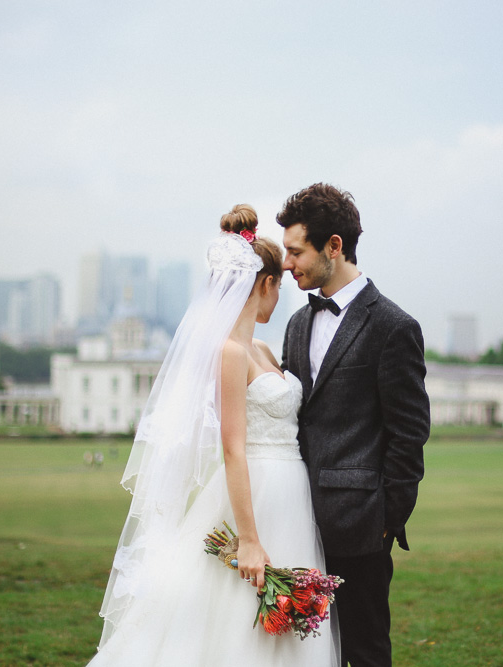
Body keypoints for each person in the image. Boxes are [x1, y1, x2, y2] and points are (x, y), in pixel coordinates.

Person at [89, 205, 338, 666]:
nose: (279, 297)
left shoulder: (260, 347)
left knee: (283, 628)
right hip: (255, 494)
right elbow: (232, 449)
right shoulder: (229, 353)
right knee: (236, 622)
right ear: (264, 284)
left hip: (291, 494)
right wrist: (248, 538)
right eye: (277, 285)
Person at [278, 183, 430, 667]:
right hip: (296, 522)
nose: (287, 264)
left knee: (364, 652)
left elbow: (409, 434)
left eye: (295, 251)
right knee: (304, 651)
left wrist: (387, 522)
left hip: (362, 528)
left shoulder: (393, 326)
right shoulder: (297, 324)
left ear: (334, 246)